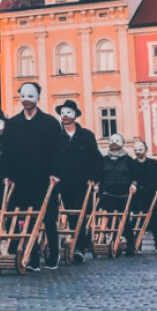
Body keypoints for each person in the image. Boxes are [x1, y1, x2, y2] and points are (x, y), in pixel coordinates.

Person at [1, 82, 62, 271]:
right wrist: (8, 175)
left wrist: (56, 172)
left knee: (48, 219)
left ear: (38, 98)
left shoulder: (50, 123)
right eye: (23, 96)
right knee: (26, 218)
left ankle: (53, 253)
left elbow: (58, 151)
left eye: (30, 96)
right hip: (22, 179)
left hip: (45, 178)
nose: (26, 100)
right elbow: (8, 152)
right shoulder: (13, 125)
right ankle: (32, 257)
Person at [56, 99, 102, 263]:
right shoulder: (57, 136)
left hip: (83, 182)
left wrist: (94, 179)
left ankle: (79, 248)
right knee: (70, 214)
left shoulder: (86, 136)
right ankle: (76, 242)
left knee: (80, 214)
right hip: (64, 182)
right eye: (63, 113)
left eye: (69, 113)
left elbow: (95, 158)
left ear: (75, 115)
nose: (65, 116)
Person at [98, 135, 137, 253]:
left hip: (124, 194)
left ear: (121, 144)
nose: (114, 144)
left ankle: (130, 244)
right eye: (112, 142)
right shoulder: (104, 160)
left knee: (125, 220)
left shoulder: (128, 160)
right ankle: (113, 242)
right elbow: (100, 175)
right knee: (110, 220)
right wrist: (98, 185)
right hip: (109, 194)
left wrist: (134, 184)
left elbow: (134, 175)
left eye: (117, 142)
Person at [128, 140, 157, 253]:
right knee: (138, 220)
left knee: (155, 220)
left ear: (145, 150)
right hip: (138, 197)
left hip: (151, 195)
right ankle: (138, 245)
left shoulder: (154, 164)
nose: (138, 152)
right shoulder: (132, 164)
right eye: (136, 150)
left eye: (140, 150)